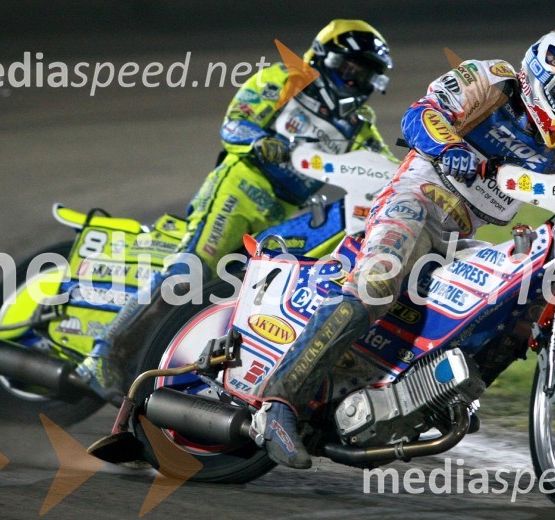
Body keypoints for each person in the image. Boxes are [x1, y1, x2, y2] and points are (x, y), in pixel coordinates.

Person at [248, 28, 555, 469]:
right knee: (375, 286)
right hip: (414, 200)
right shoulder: (492, 79)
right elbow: (420, 113)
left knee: (515, 309)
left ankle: (436, 396)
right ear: (541, 76)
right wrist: (450, 145)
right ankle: (277, 402)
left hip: (460, 236)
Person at [74, 19, 395, 405]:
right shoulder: (283, 80)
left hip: (287, 213)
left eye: (365, 76)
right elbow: (236, 123)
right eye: (350, 70)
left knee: (246, 294)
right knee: (189, 273)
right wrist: (261, 140)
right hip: (240, 188)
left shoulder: (359, 126)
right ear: (326, 59)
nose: (356, 82)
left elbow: (384, 167)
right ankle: (103, 354)